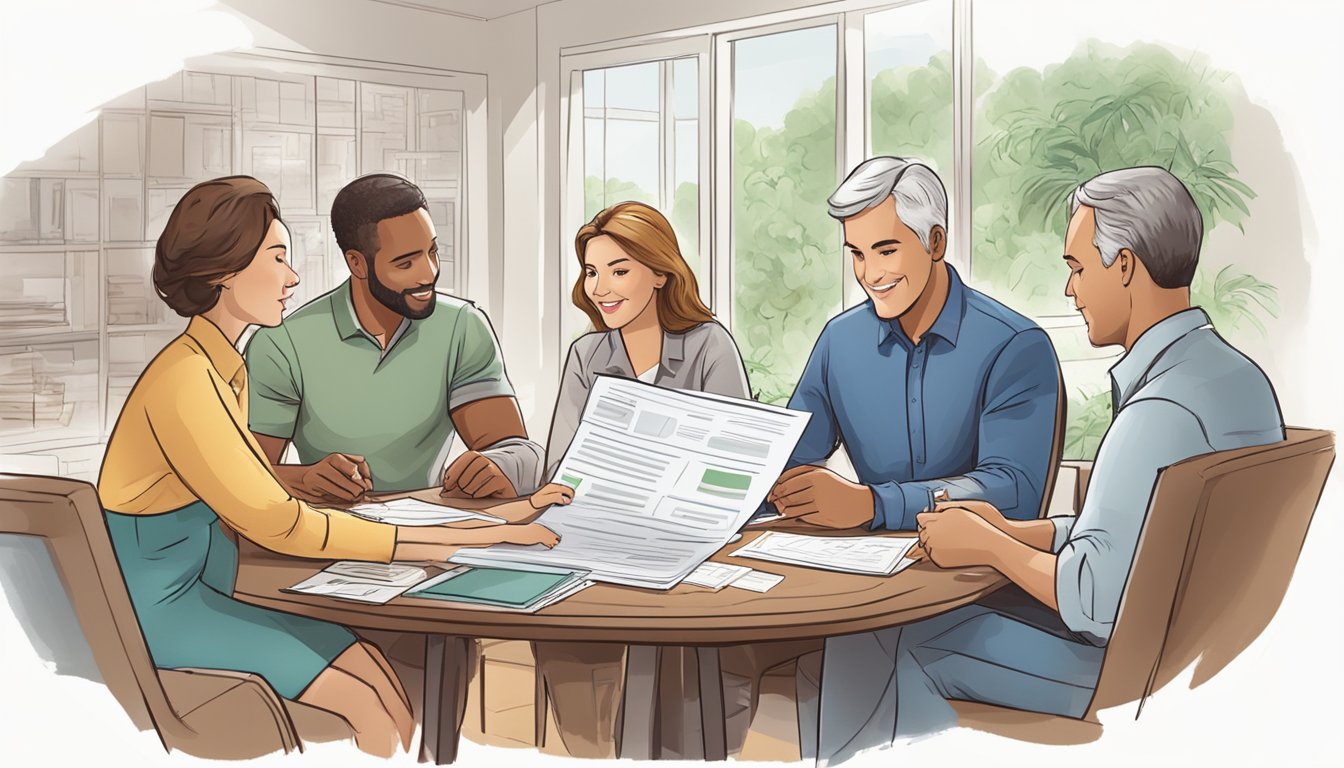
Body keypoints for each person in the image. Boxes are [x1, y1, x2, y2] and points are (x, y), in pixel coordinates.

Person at [813, 167, 1285, 764]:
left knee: (880, 636)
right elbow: (1127, 536)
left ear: (1126, 267)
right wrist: (1005, 531)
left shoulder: (1157, 413)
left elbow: (1094, 594)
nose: (1070, 290)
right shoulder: (1231, 378)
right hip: (1196, 642)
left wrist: (992, 548)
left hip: (1130, 669)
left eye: (1078, 267)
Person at [97, 176, 561, 758]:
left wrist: (499, 510)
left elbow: (246, 482)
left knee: (386, 689)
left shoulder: (221, 367)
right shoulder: (187, 380)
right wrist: (463, 537)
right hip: (165, 610)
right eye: (278, 258)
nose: (292, 277)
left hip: (213, 588)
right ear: (225, 273)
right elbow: (280, 522)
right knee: (368, 704)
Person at [757, 157, 1062, 756]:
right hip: (865, 585)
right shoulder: (839, 342)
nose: (869, 273)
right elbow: (791, 457)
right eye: (856, 254)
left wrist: (872, 504)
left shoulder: (1014, 346)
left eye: (886, 250)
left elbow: (1012, 491)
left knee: (857, 647)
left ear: (937, 242)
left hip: (974, 588)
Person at [536, 201, 753, 758]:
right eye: (592, 271)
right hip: (600, 536)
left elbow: (735, 470)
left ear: (660, 273)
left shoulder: (709, 345)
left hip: (691, 540)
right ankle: (589, 753)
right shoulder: (586, 355)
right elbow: (561, 471)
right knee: (562, 632)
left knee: (690, 643)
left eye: (619, 269)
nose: (602, 286)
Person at [244, 173, 543, 502]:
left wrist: (502, 465)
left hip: (433, 528)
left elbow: (516, 449)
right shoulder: (281, 344)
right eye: (406, 262)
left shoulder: (462, 326)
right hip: (331, 534)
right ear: (357, 263)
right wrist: (303, 478)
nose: (429, 273)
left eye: (432, 252)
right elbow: (244, 471)